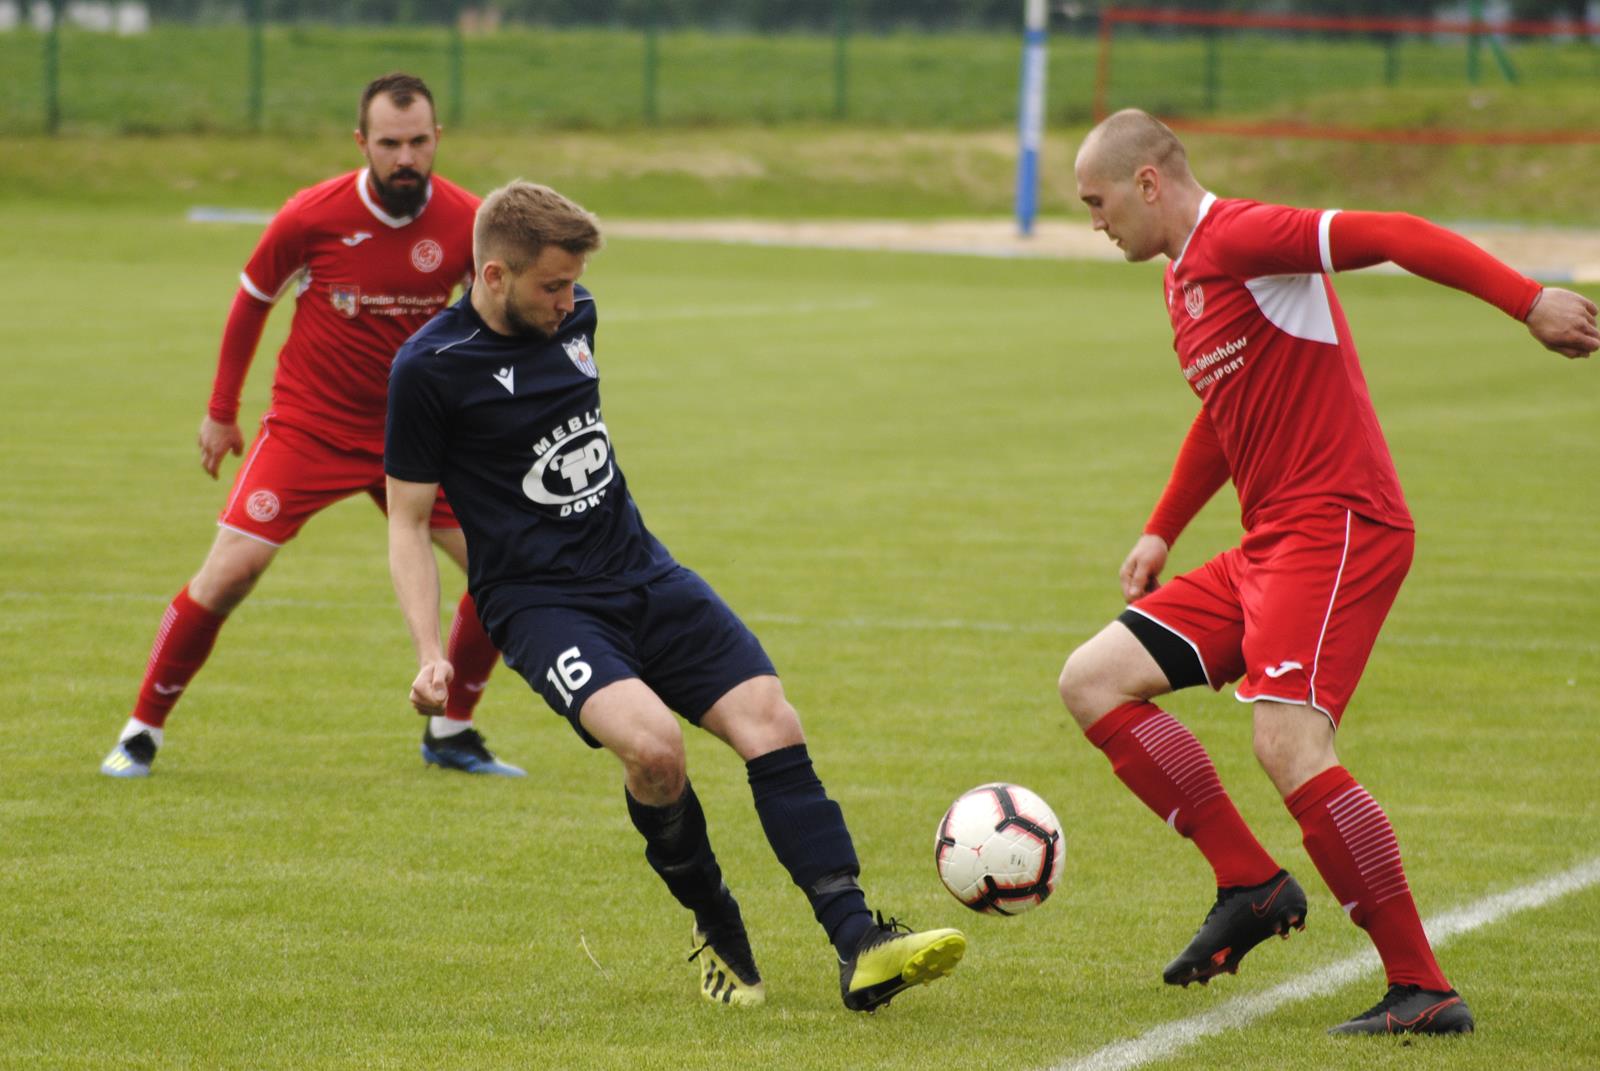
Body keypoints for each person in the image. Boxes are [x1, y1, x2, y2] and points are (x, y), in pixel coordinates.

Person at [1060, 109, 1597, 1036]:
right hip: (1271, 541)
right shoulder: (1183, 281)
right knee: (1095, 680)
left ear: (1149, 183)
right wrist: (1160, 530)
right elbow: (1224, 409)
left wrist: (1528, 300)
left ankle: (1422, 988)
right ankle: (1251, 883)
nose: (1095, 221)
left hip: (1338, 523)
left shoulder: (1241, 235)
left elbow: (1392, 234)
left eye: (1097, 201)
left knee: (1289, 744)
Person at [384, 180, 967, 1011]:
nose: (568, 299)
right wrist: (430, 653)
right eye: (550, 284)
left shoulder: (575, 317)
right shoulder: (429, 371)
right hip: (540, 605)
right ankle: (717, 924)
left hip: (642, 570)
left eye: (572, 282)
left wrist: (563, 301)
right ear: (491, 275)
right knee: (654, 750)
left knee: (771, 719)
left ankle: (859, 940)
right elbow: (407, 522)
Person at [100, 73, 521, 779]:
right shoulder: (311, 215)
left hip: (418, 439)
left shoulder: (469, 224)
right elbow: (251, 302)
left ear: (437, 138)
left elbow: (498, 322)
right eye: (390, 144)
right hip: (311, 425)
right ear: (363, 143)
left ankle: (452, 730)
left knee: (504, 570)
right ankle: (142, 729)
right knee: (231, 570)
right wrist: (220, 411)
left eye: (420, 141)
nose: (406, 158)